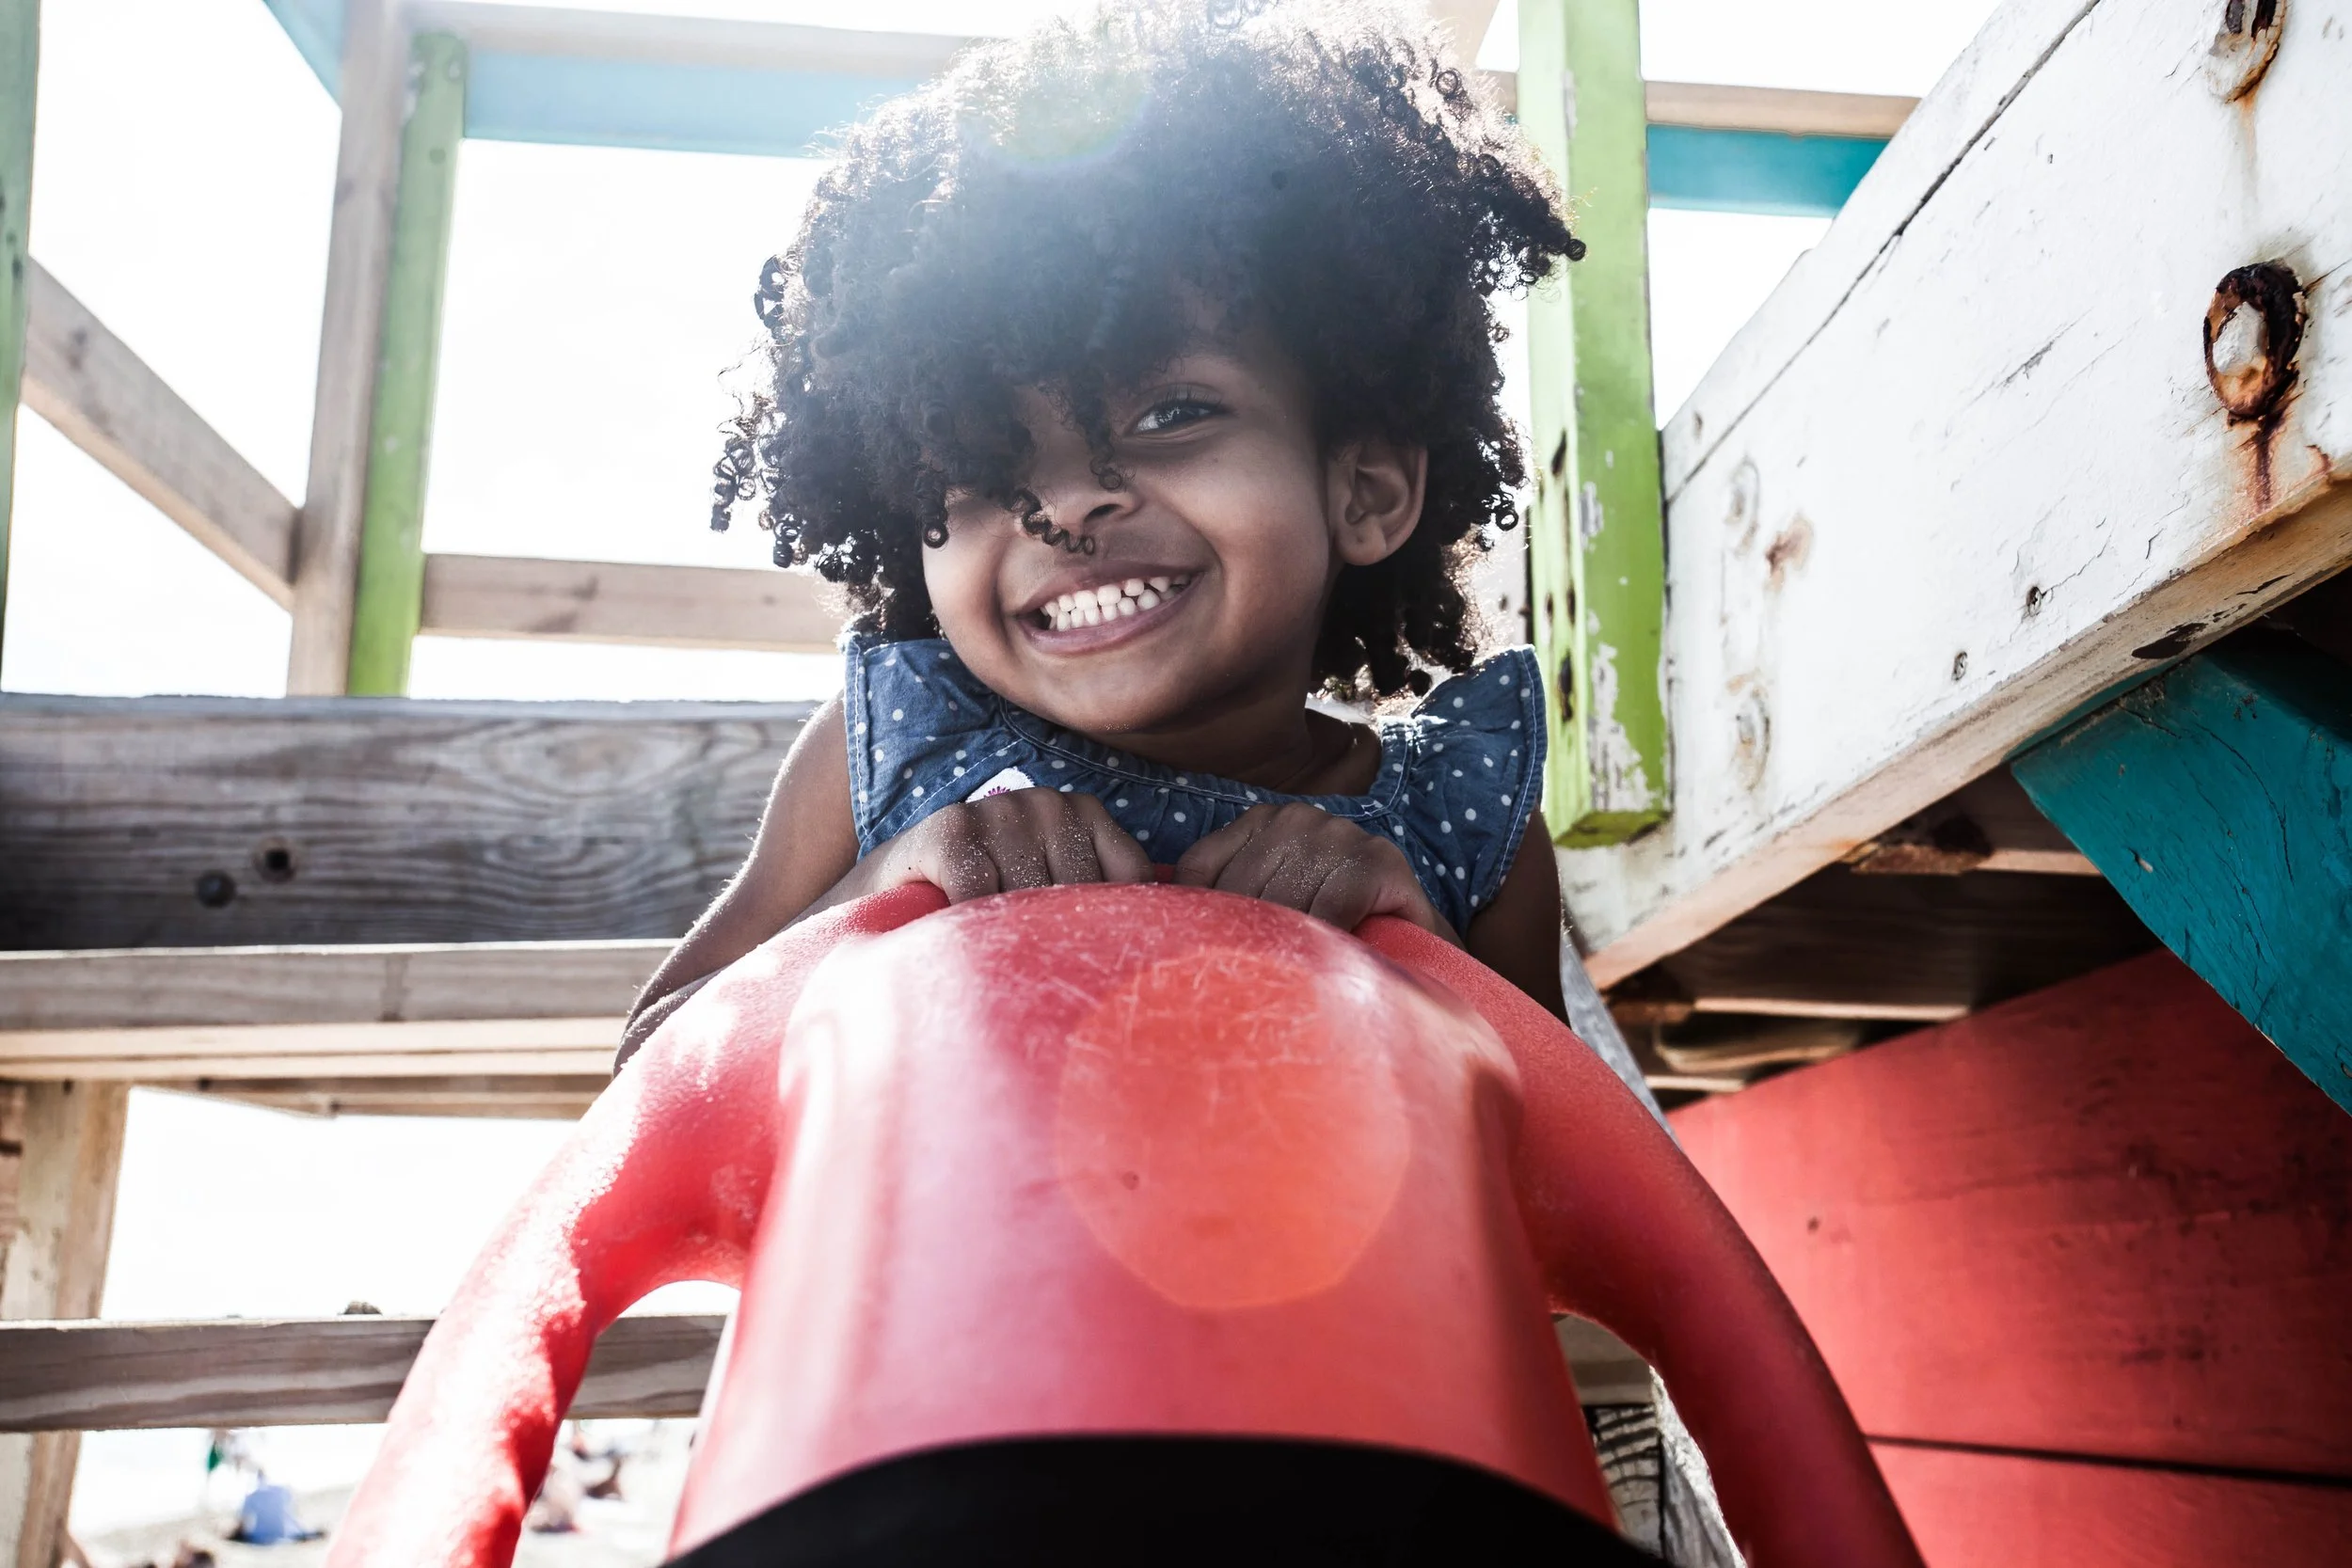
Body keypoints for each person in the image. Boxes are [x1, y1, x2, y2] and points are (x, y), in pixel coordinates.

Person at [623, 0, 1584, 1066]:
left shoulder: (1461, 826)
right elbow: (654, 1065)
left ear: (1363, 491)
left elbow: (1577, 1141)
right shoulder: (899, 751)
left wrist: (1423, 949)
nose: (1069, 501)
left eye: (1171, 414)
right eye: (978, 459)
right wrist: (879, 888)